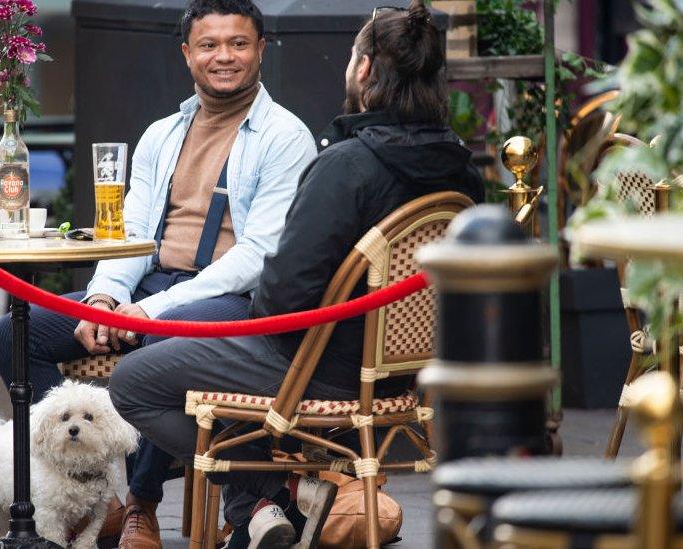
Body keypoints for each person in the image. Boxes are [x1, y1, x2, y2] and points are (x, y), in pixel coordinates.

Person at [108, 1, 485, 547]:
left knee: (133, 380)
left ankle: (278, 487)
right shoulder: (462, 169)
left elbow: (284, 296)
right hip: (406, 370)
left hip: (316, 364)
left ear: (363, 70)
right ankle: (269, 502)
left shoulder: (348, 165)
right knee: (180, 339)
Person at [0, 0, 316, 547]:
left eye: (238, 43)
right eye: (209, 45)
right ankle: (102, 487)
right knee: (13, 332)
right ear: (188, 54)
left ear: (260, 49)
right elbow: (131, 229)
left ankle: (142, 501)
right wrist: (106, 297)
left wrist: (149, 311)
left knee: (157, 343)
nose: (224, 57)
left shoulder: (285, 136)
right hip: (150, 284)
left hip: (232, 295)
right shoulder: (162, 133)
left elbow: (259, 254)